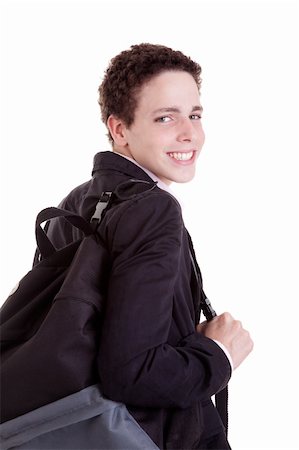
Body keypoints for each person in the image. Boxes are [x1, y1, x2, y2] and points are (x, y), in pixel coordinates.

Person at [43, 43, 253, 449]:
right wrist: (219, 353)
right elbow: (131, 372)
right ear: (120, 129)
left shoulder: (77, 202)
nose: (189, 132)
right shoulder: (154, 210)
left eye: (194, 114)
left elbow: (85, 336)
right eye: (165, 117)